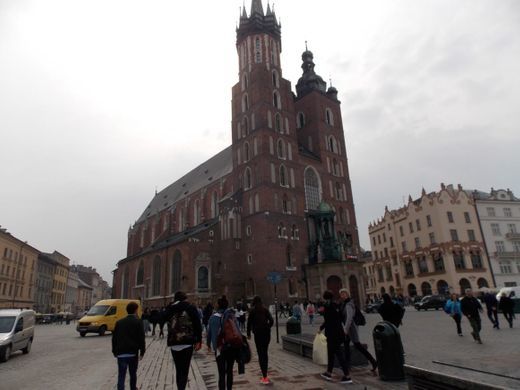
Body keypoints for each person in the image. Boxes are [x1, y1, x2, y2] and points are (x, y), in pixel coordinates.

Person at [164, 291, 203, 390]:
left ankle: (179, 387)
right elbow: (197, 325)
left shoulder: (170, 308)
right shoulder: (190, 307)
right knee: (184, 370)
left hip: (174, 342)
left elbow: (161, 317)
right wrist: (199, 340)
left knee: (178, 369)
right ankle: (182, 388)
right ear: (185, 298)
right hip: (187, 342)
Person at [207, 296, 242, 390]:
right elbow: (237, 331)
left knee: (221, 373)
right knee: (229, 371)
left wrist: (208, 345)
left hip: (219, 348)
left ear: (218, 305)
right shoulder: (231, 316)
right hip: (231, 347)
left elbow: (209, 333)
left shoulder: (213, 318)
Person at [340, 288, 377, 372]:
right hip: (348, 329)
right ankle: (347, 365)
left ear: (347, 294)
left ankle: (373, 361)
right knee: (346, 346)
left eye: (344, 294)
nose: (342, 295)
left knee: (358, 345)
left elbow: (349, 318)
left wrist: (345, 329)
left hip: (351, 329)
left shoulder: (349, 304)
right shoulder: (345, 303)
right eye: (341, 294)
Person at [319, 290, 352, 384]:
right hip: (338, 332)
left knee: (338, 354)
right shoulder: (336, 305)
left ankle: (347, 376)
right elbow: (340, 318)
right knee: (331, 353)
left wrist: (321, 328)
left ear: (325, 297)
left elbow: (328, 320)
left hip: (332, 334)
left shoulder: (327, 306)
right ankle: (328, 373)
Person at [112, 302, 146, 390]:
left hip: (121, 353)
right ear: (135, 310)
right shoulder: (138, 322)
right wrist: (142, 351)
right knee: (133, 374)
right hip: (132, 353)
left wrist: (114, 351)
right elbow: (141, 338)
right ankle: (133, 388)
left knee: (121, 375)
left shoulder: (119, 322)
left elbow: (114, 338)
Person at [247, 295, 274, 385]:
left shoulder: (253, 311)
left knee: (260, 353)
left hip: (258, 334)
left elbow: (249, 323)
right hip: (266, 334)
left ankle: (264, 375)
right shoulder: (265, 310)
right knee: (265, 353)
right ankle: (265, 374)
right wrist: (267, 327)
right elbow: (272, 321)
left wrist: (249, 334)